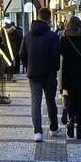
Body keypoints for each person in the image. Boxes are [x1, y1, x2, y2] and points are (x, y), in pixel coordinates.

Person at [20, 7, 62, 141]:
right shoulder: (52, 36)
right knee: (50, 101)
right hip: (49, 74)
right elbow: (56, 56)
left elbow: (21, 54)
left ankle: (37, 132)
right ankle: (54, 128)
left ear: (38, 17)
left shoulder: (28, 35)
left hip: (33, 74)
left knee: (35, 102)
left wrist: (28, 65)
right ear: (49, 19)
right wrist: (55, 68)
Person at [59, 16, 81, 140]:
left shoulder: (64, 38)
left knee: (71, 99)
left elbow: (61, 53)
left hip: (68, 73)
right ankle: (79, 129)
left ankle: (71, 121)